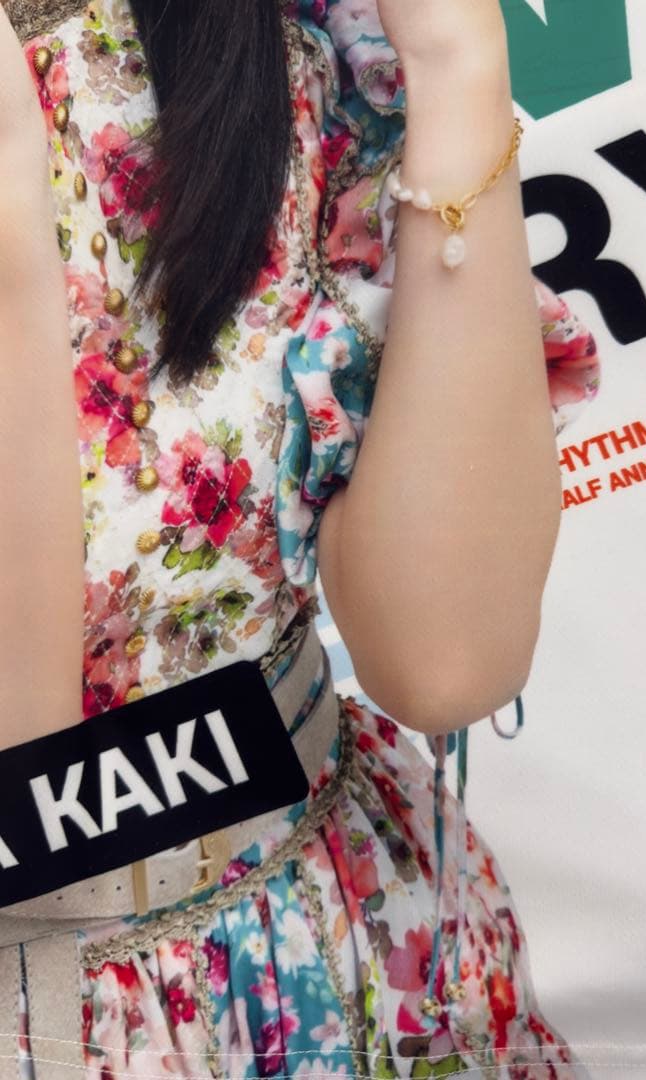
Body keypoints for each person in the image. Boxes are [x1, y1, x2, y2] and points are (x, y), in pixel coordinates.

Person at [0, 0, 601, 1076]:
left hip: (335, 959)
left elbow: (448, 659)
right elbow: (22, 778)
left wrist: (455, 59)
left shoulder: (293, 38)